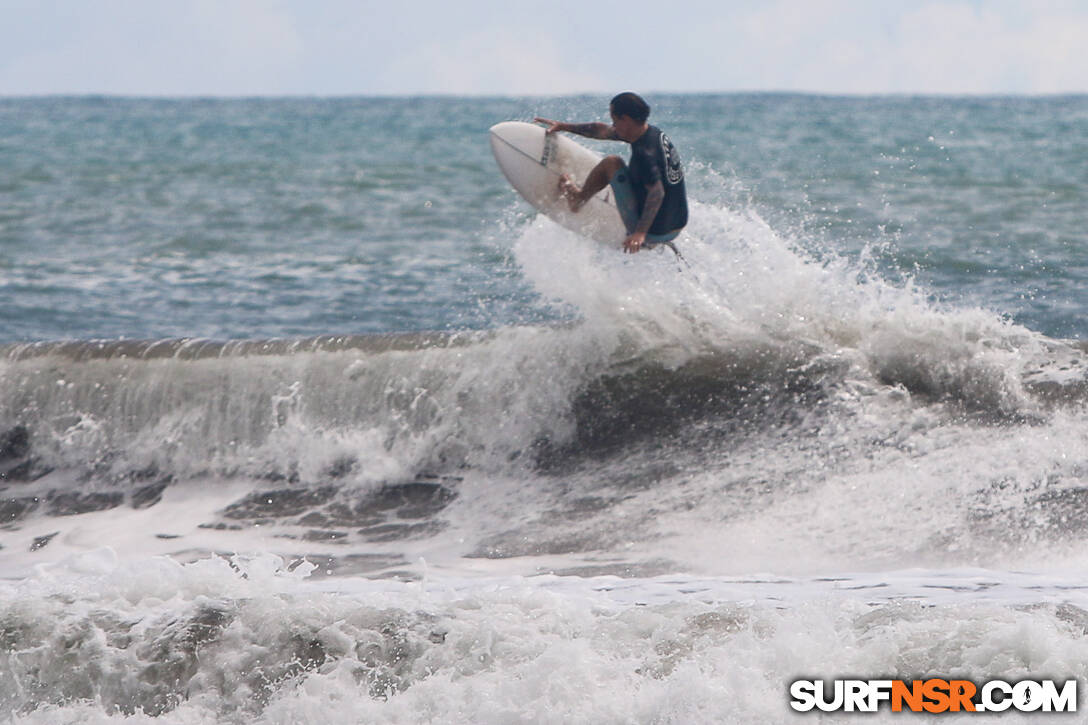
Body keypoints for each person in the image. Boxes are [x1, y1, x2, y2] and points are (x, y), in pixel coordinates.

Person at [535, 92, 688, 254]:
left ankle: (577, 200)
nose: (613, 126)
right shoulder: (651, 134)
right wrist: (564, 126)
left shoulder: (645, 154)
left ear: (626, 120)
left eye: (615, 121)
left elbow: (657, 193)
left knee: (612, 163)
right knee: (640, 176)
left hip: (655, 231)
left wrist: (640, 233)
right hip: (676, 224)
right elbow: (602, 131)